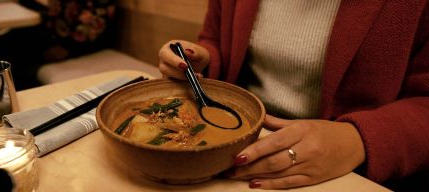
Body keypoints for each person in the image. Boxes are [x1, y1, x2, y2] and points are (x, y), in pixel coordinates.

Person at [158, 0, 429, 191]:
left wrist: (357, 139)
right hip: (234, 148)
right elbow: (214, 39)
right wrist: (202, 62)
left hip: (349, 173)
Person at [0, 0, 116, 90]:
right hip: (51, 34)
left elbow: (93, 27)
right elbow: (51, 13)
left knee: (16, 60)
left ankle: (13, 100)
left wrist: (66, 47)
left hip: (77, 45)